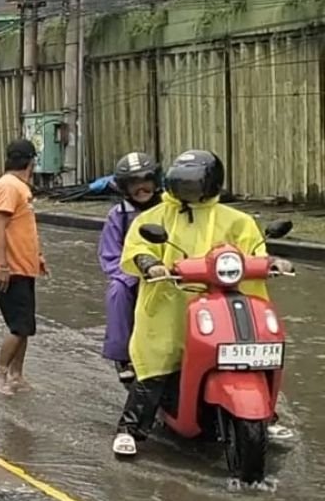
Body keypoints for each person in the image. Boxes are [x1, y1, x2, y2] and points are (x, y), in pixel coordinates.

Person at [113, 150, 293, 456]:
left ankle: (266, 412)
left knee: (249, 349)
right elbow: (135, 249)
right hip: (170, 303)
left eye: (194, 186)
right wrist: (149, 263)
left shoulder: (237, 220)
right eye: (181, 186)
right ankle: (131, 428)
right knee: (158, 361)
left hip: (221, 300)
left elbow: (254, 249)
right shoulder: (153, 218)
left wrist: (273, 261)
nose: (188, 193)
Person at [0, 139, 45, 395]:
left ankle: (16, 375)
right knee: (19, 326)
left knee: (26, 326)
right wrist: (1, 265)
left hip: (23, 267)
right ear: (32, 161)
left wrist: (38, 256)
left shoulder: (18, 187)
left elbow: (23, 228)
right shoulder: (8, 186)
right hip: (9, 269)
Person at [99, 152, 162, 388]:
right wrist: (135, 275)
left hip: (175, 275)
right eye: (134, 183)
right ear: (125, 187)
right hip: (135, 277)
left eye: (146, 180)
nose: (142, 187)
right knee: (117, 291)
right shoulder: (118, 216)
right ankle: (123, 355)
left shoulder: (173, 209)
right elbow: (110, 257)